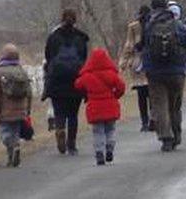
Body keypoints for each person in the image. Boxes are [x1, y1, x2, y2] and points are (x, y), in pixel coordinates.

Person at [142, 0, 186, 152]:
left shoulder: (149, 25)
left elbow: (143, 46)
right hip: (176, 71)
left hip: (155, 72)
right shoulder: (178, 25)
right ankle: (177, 134)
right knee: (175, 105)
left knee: (160, 105)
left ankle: (166, 138)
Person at [44, 9, 89, 155]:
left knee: (59, 112)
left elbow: (49, 58)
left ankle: (60, 130)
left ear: (62, 19)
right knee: (73, 115)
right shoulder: (81, 38)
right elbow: (84, 59)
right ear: (75, 20)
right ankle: (72, 145)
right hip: (76, 81)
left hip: (57, 81)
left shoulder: (53, 37)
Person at [75, 48, 126, 166]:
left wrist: (86, 92)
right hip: (110, 107)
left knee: (97, 132)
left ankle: (99, 152)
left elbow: (77, 84)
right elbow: (121, 87)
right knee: (110, 130)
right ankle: (109, 148)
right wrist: (115, 96)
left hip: (95, 108)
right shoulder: (112, 74)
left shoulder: (87, 76)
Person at [0, 44, 32, 167]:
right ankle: (11, 157)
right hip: (21, 111)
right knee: (15, 133)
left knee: (5, 135)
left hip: (5, 111)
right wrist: (28, 109)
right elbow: (29, 92)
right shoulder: (21, 70)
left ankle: (13, 147)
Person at [119, 5, 152, 132]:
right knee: (153, 93)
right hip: (151, 62)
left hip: (137, 62)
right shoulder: (153, 24)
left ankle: (144, 122)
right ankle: (154, 118)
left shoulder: (133, 27)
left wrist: (123, 62)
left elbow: (129, 46)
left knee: (141, 95)